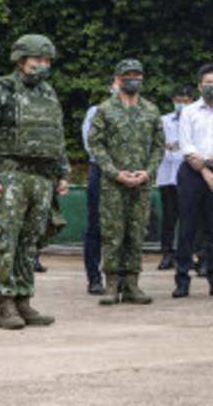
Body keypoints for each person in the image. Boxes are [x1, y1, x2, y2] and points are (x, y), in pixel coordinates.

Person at [0, 34, 71, 329]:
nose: (43, 65)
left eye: (47, 61)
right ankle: (6, 304)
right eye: (37, 60)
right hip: (11, 175)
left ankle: (24, 300)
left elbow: (57, 135)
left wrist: (62, 172)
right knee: (5, 240)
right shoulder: (0, 91)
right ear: (21, 61)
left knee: (29, 242)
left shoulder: (49, 94)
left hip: (41, 179)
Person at [87, 59, 167, 305]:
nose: (134, 79)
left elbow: (158, 145)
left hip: (141, 183)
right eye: (128, 75)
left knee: (136, 233)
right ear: (118, 79)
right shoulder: (105, 109)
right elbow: (95, 143)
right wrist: (113, 172)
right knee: (113, 233)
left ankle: (132, 284)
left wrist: (149, 171)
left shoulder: (151, 110)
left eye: (138, 75)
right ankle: (111, 284)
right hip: (114, 183)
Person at [173, 63, 213, 298]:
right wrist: (203, 170)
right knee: (187, 228)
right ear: (200, 86)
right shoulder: (189, 112)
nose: (212, 87)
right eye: (207, 83)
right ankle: (182, 280)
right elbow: (186, 145)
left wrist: (208, 163)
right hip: (191, 173)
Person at [80, 80, 116, 295]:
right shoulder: (95, 111)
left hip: (128, 174)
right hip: (101, 170)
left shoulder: (140, 111)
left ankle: (122, 277)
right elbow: (90, 143)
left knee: (124, 227)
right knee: (95, 225)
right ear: (111, 86)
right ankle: (94, 278)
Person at [156, 85, 192, 270]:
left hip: (188, 175)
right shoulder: (163, 121)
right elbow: (154, 141)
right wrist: (166, 144)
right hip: (167, 175)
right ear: (173, 101)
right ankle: (167, 254)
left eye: (185, 102)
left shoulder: (195, 120)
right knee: (169, 218)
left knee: (188, 218)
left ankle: (185, 255)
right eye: (179, 101)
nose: (182, 105)